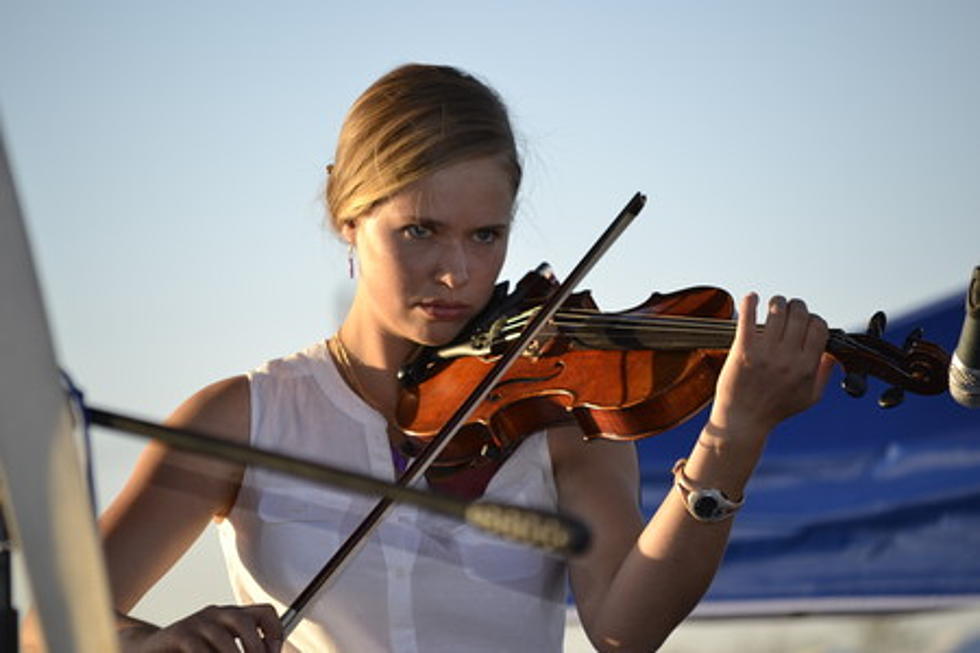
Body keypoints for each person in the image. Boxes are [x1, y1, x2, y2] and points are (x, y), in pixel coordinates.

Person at [95, 63, 834, 652]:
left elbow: (624, 628)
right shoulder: (243, 418)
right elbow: (52, 626)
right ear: (348, 219)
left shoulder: (560, 414)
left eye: (486, 235)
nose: (457, 272)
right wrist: (151, 641)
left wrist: (732, 437)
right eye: (420, 230)